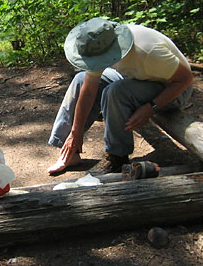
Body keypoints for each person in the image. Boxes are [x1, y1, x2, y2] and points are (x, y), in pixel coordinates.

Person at [47, 17, 194, 175]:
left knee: (115, 92)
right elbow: (89, 90)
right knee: (81, 80)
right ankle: (69, 150)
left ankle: (117, 157)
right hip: (136, 80)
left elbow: (185, 79)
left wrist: (151, 107)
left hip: (173, 89)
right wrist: (75, 132)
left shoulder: (147, 52)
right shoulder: (99, 46)